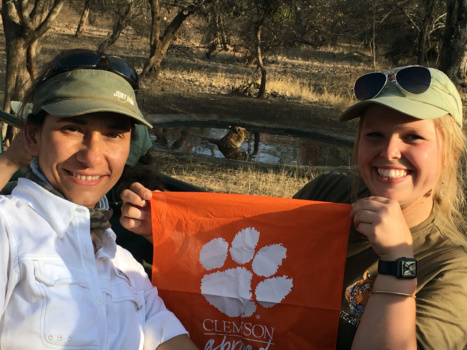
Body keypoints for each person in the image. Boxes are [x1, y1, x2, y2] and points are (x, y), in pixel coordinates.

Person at [120, 65, 467, 349]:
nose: (389, 152)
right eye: (374, 135)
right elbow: (244, 278)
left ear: (449, 153)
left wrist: (397, 262)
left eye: (413, 137)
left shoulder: (451, 270)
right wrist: (173, 234)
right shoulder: (328, 192)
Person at [0, 48, 198, 349]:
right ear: (32, 136)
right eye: (72, 128)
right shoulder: (8, 229)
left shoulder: (124, 266)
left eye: (113, 134)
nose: (91, 156)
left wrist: (170, 238)